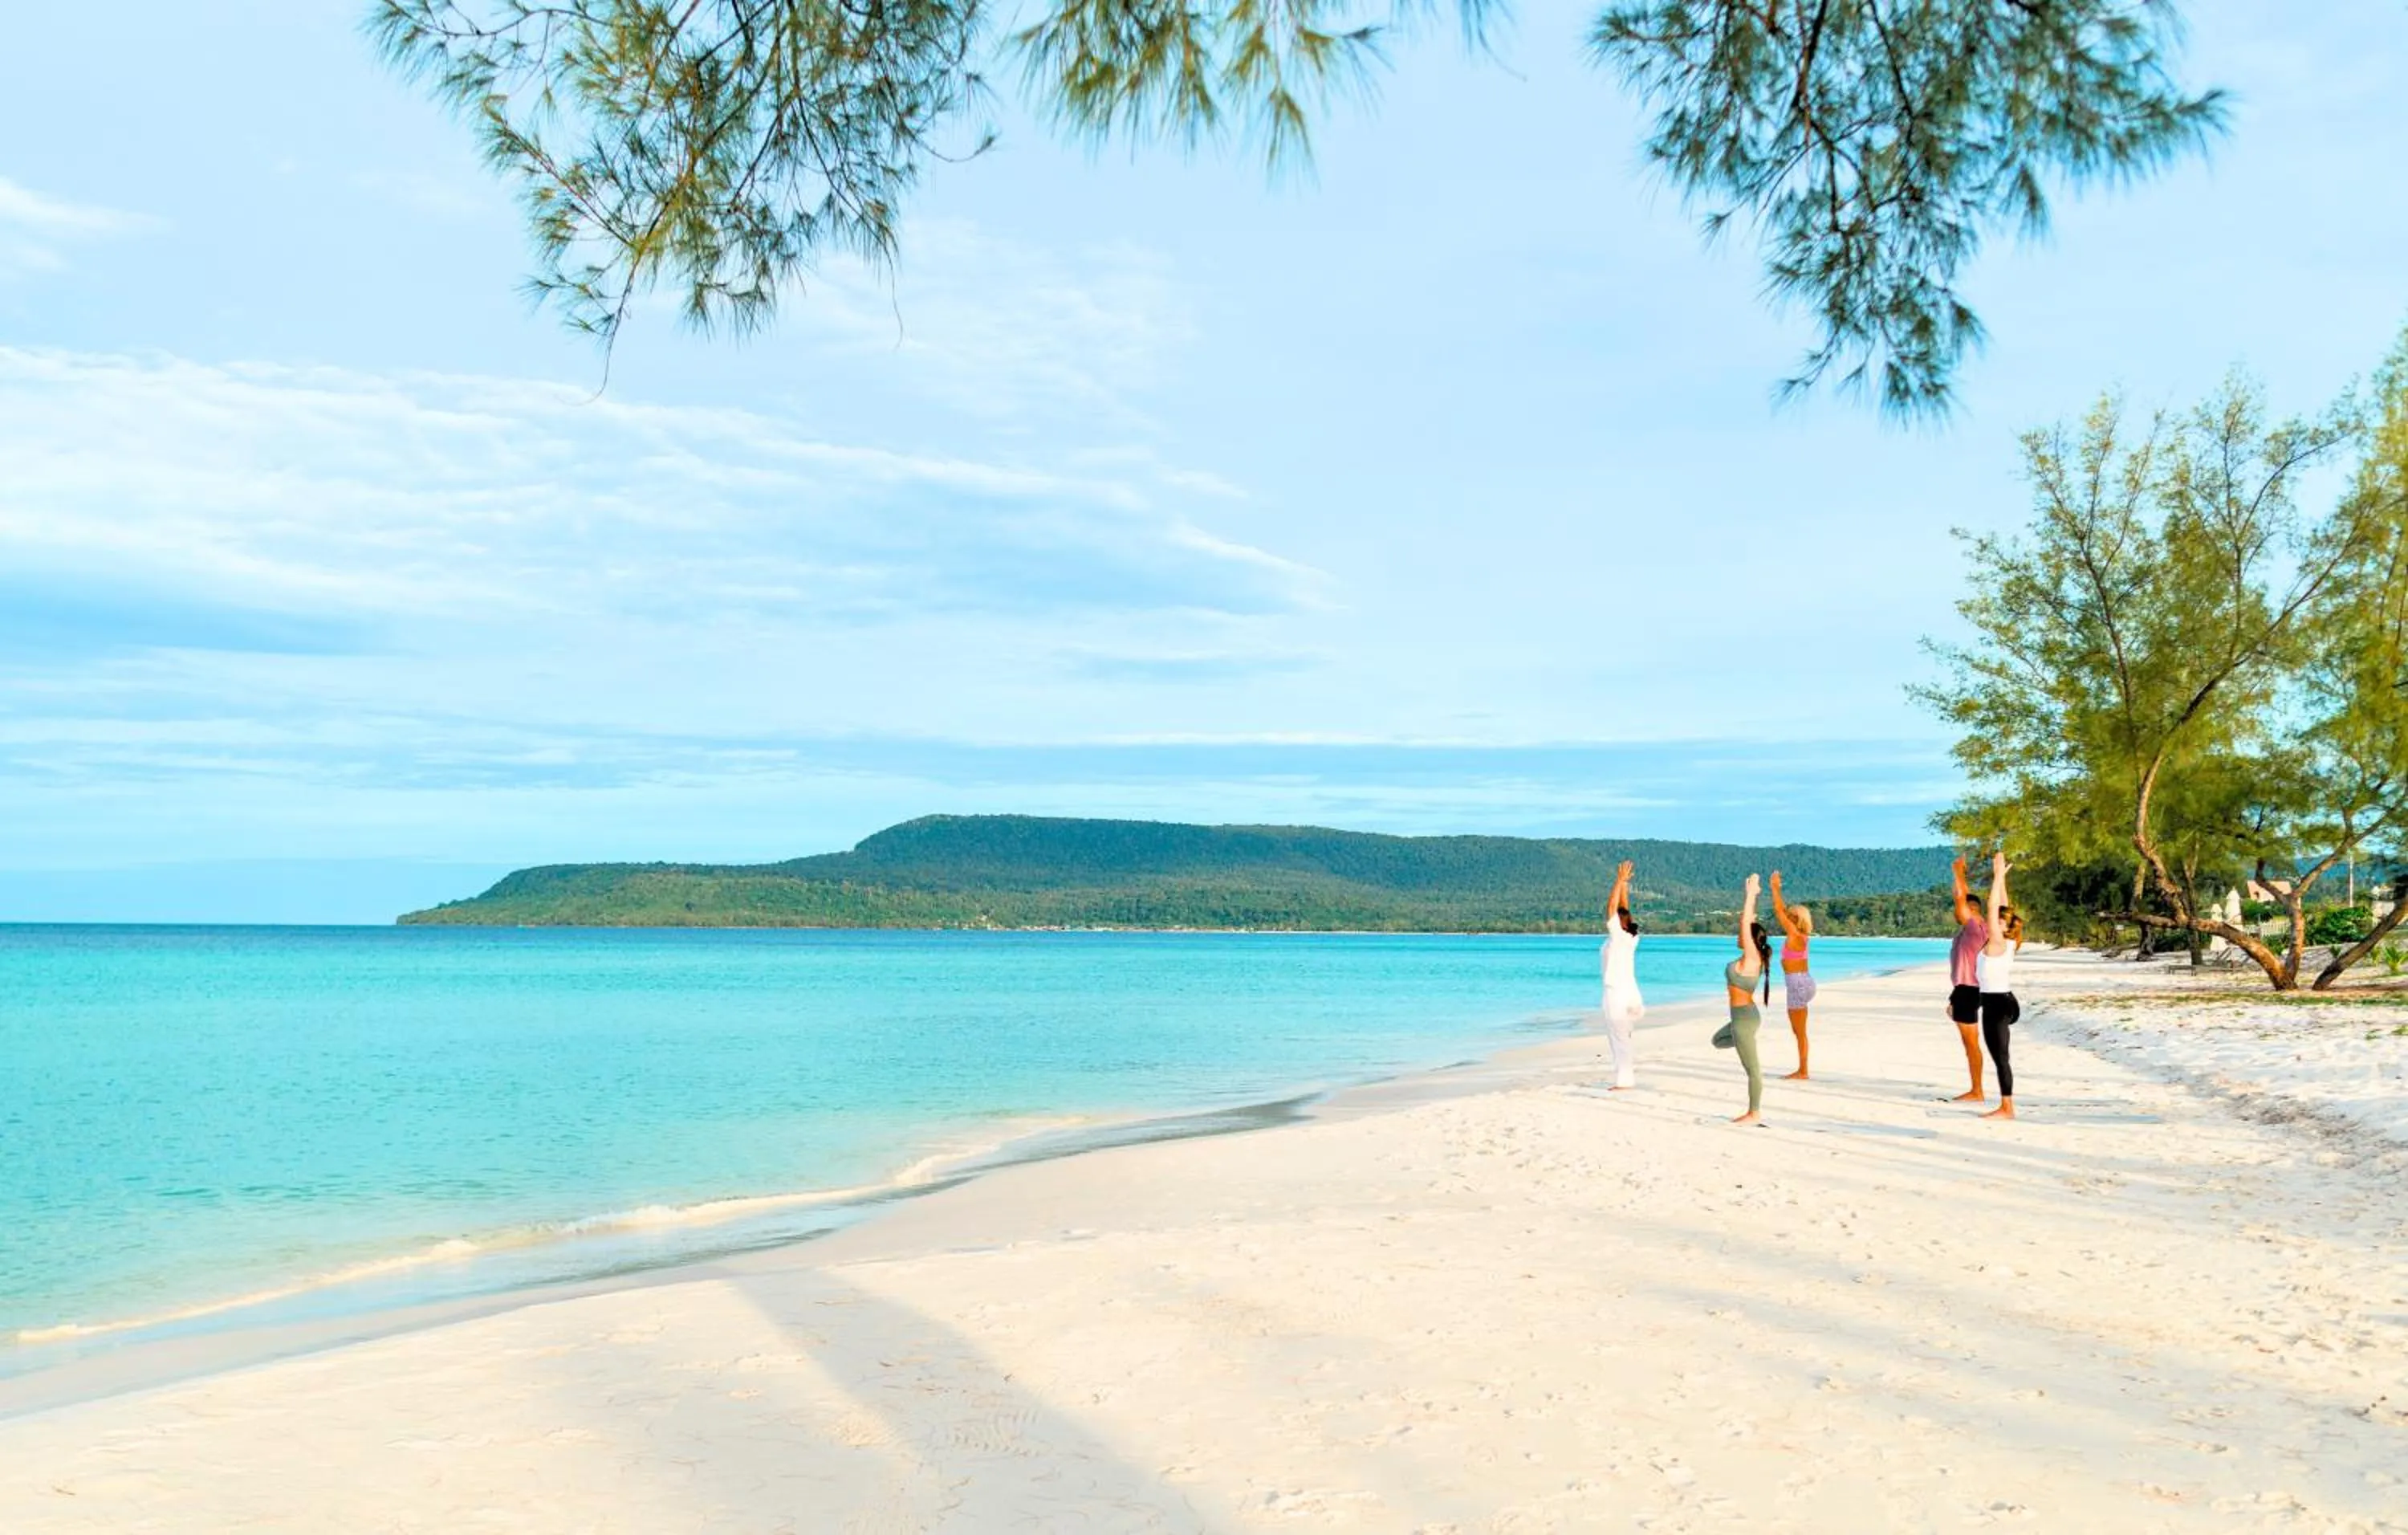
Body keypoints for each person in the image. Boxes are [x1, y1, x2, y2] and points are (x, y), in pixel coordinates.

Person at [1710, 873, 1774, 1124]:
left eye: (1743, 933)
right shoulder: (1749, 959)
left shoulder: (1752, 958)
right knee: (1717, 1041)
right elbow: (1747, 922)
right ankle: (1743, 1041)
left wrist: (1750, 895)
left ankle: (1754, 1112)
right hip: (1741, 1018)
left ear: (1750, 939)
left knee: (1752, 1070)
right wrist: (1753, 902)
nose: (1739, 934)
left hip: (1745, 1019)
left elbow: (1746, 921)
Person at [1977, 852, 2026, 1119]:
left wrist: (1996, 877)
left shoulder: (1998, 942)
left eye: (1999, 922)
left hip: (1997, 1004)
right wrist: (2002, 879)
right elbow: (2002, 907)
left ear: (2005, 927)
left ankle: (2007, 1107)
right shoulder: (2006, 942)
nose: (1994, 922)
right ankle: (2006, 1105)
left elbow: (1994, 906)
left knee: (2000, 1058)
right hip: (2003, 1001)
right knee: (2000, 1055)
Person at [1946, 854, 1989, 1102]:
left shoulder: (1973, 927)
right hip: (1969, 989)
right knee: (1970, 1042)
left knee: (1971, 1043)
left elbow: (1960, 897)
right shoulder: (1984, 927)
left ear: (1971, 910)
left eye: (1960, 908)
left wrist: (1958, 871)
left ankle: (1977, 1090)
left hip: (1968, 990)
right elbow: (1961, 897)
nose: (1956, 912)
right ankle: (1976, 1089)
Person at [1599, 859, 1645, 1089]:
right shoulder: (1631, 937)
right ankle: (1625, 1077)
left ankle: (1624, 1081)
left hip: (1616, 993)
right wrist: (1624, 885)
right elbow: (1624, 910)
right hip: (1630, 994)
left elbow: (1611, 908)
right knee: (1622, 1036)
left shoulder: (1618, 936)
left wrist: (1618, 881)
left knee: (1618, 1037)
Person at [1768, 869, 1815, 1079]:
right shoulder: (1802, 936)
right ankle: (1802, 1069)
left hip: (1797, 984)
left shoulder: (1795, 935)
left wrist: (1775, 888)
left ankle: (1803, 1071)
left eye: (1790, 915)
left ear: (1795, 919)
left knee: (1799, 1032)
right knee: (1799, 1031)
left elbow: (1779, 910)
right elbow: (1782, 911)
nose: (1786, 917)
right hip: (1804, 982)